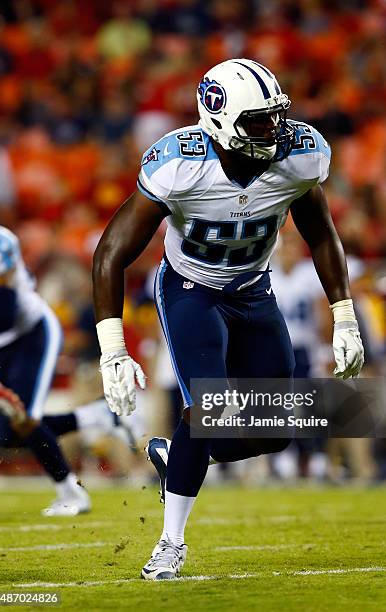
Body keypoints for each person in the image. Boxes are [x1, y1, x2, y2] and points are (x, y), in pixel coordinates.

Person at [93, 58, 364, 580]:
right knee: (209, 407)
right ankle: (171, 543)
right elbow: (110, 253)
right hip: (190, 290)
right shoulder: (181, 164)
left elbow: (322, 234)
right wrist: (113, 350)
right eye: (259, 120)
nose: (275, 129)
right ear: (218, 118)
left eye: (276, 115)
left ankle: (179, 456)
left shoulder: (298, 157)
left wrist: (345, 316)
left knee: (275, 431)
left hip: (254, 290)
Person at [0, 224, 123, 516]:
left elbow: (1, 314)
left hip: (29, 335)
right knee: (5, 435)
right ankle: (97, 416)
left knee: (25, 419)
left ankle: (71, 493)